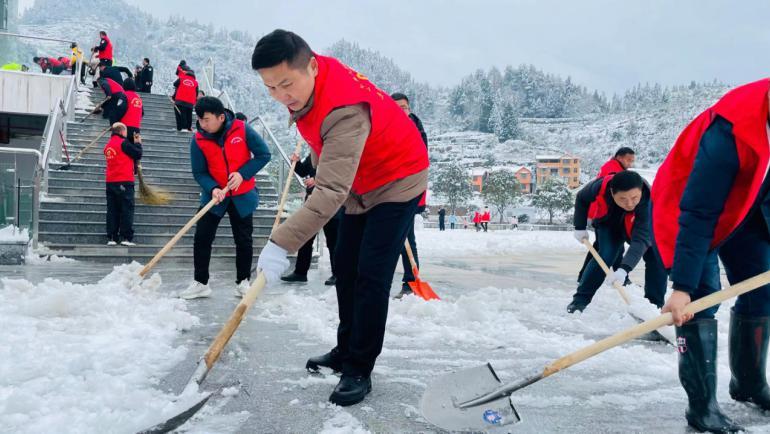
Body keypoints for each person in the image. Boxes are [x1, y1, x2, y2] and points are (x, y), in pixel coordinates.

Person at [251, 30, 428, 406]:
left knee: (371, 275)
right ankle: (345, 348)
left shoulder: (344, 107)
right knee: (345, 267)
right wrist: (318, 166)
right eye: (270, 88)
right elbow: (325, 145)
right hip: (360, 181)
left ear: (311, 66)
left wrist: (281, 241)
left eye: (286, 84)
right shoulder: (310, 84)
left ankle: (359, 368)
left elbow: (330, 193)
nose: (282, 95)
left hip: (398, 179)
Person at [652, 79, 770, 433]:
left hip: (746, 206)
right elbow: (698, 212)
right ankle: (702, 408)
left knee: (762, 288)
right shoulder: (730, 132)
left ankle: (748, 383)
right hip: (689, 209)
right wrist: (682, 287)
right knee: (700, 299)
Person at [178, 96, 271, 299]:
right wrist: (212, 188)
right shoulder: (198, 140)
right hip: (215, 197)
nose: (203, 124)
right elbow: (199, 172)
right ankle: (201, 282)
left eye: (207, 120)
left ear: (221, 117)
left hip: (242, 195)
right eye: (200, 120)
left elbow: (264, 154)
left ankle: (243, 281)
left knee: (243, 240)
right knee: (202, 237)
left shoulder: (242, 129)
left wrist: (242, 174)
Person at [568, 170, 667, 313]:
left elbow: (640, 240)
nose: (629, 204)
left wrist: (624, 269)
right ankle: (579, 302)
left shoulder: (649, 202)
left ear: (640, 191)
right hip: (609, 224)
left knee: (656, 259)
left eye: (634, 198)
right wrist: (579, 226)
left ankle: (653, 307)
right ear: (612, 192)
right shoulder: (600, 185)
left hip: (637, 227)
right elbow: (582, 198)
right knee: (606, 256)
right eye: (622, 199)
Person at [390, 92, 429, 299]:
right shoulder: (385, 128)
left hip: (408, 191)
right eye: (395, 107)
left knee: (406, 237)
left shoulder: (417, 131)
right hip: (387, 191)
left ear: (409, 109)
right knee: (396, 237)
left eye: (403, 107)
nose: (400, 110)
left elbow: (418, 162)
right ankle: (403, 281)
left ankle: (411, 282)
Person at [280, 153, 341, 286]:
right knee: (306, 237)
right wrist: (296, 163)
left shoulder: (335, 151)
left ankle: (338, 274)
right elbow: (303, 172)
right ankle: (300, 272)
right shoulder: (314, 153)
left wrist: (316, 180)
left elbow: (339, 174)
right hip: (313, 201)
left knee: (333, 240)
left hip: (330, 202)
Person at [103, 122, 141, 246]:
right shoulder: (123, 143)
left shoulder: (108, 145)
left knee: (112, 209)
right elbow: (138, 153)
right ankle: (125, 237)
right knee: (126, 209)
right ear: (121, 131)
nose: (126, 134)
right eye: (125, 131)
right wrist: (138, 143)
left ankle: (112, 237)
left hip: (110, 181)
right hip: (124, 180)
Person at [120, 78, 143, 149]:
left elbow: (119, 109)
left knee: (124, 149)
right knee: (136, 149)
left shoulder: (124, 95)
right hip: (136, 130)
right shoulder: (138, 98)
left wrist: (113, 123)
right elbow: (142, 113)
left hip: (125, 128)